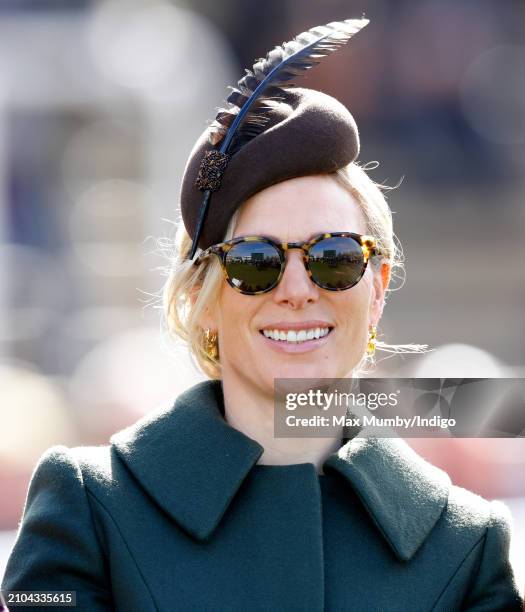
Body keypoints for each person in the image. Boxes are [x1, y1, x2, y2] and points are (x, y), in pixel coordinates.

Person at [2, 17, 523, 612]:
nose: (298, 290)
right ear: (200, 300)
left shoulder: (466, 543)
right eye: (255, 262)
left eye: (335, 257)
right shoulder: (88, 511)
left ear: (376, 289)